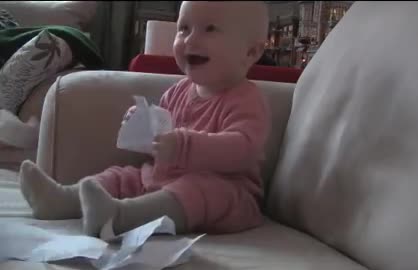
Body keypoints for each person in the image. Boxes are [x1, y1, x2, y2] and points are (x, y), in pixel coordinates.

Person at [19, 1, 271, 237]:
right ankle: (63, 200)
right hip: (163, 178)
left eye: (210, 29)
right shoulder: (178, 91)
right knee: (122, 175)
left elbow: (244, 149)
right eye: (183, 28)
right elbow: (158, 142)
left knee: (200, 188)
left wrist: (183, 146)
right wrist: (143, 128)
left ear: (250, 51)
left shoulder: (245, 98)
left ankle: (119, 217)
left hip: (228, 193)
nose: (190, 39)